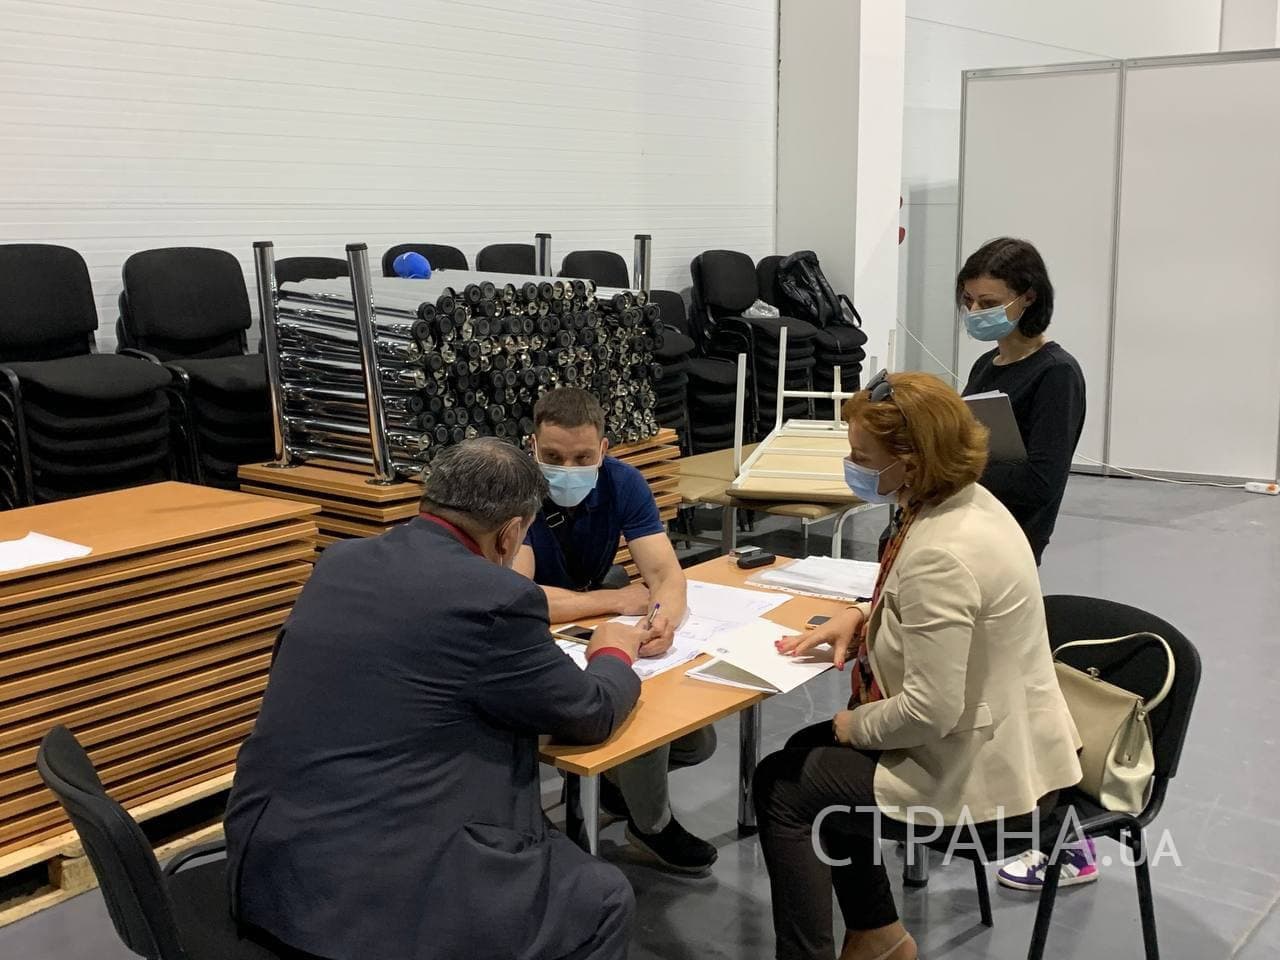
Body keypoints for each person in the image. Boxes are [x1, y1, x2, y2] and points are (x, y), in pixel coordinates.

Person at [225, 439, 651, 960]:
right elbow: (590, 711)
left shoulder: (340, 561)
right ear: (510, 533)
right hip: (377, 905)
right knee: (603, 899)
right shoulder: (496, 597)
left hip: (270, 867)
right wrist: (613, 652)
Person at [752, 372, 1083, 960]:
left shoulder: (941, 554)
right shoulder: (966, 504)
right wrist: (862, 614)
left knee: (782, 787)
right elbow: (934, 610)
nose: (851, 467)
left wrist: (856, 724)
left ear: (911, 461)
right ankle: (877, 936)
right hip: (1014, 744)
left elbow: (929, 711)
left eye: (862, 458)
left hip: (985, 781)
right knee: (808, 751)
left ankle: (837, 946)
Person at [514, 386, 718, 874]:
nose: (567, 468)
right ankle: (652, 825)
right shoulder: (514, 490)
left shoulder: (624, 483)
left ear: (604, 450)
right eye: (553, 457)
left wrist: (661, 619)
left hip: (586, 620)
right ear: (531, 446)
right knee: (641, 720)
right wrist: (617, 601)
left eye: (582, 457)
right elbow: (519, 597)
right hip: (536, 637)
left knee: (698, 742)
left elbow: (665, 575)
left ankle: (615, 787)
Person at [958, 237, 1086, 566]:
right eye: (969, 300)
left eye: (988, 303)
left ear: (1028, 297)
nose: (974, 312)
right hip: (969, 522)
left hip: (1009, 539)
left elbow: (1041, 483)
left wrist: (954, 465)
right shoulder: (985, 365)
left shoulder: (1056, 373)